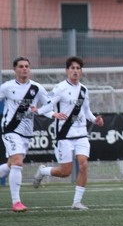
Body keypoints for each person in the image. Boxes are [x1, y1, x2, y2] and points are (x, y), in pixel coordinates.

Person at [32, 56, 104, 210]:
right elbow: (46, 107)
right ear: (67, 71)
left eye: (78, 68)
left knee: (83, 165)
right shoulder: (60, 88)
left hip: (81, 135)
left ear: (81, 71)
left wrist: (95, 120)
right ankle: (43, 171)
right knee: (65, 172)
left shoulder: (84, 90)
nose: (75, 71)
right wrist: (49, 114)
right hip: (64, 135)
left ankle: (76, 202)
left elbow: (87, 112)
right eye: (72, 68)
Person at [0, 57, 49, 212]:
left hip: (26, 133)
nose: (24, 69)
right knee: (18, 162)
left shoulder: (36, 88)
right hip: (10, 129)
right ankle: (16, 202)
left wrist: (53, 114)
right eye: (21, 66)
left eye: (27, 66)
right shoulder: (7, 87)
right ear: (15, 69)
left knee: (11, 164)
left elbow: (48, 105)